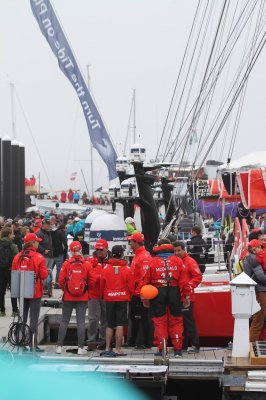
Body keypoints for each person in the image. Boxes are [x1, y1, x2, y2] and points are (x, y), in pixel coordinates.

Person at [141, 238, 191, 357]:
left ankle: (161, 348)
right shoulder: (178, 261)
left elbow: (145, 281)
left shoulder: (152, 261)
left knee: (159, 321)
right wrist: (186, 297)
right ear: (170, 247)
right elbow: (184, 282)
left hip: (157, 292)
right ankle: (178, 349)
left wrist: (144, 298)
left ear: (158, 247)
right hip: (174, 291)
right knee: (176, 320)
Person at [11, 233, 48, 351]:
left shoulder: (17, 257)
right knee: (33, 319)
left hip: (21, 293)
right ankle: (33, 344)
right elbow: (44, 275)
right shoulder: (39, 257)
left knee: (22, 317)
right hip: (35, 293)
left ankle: (20, 341)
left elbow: (14, 273)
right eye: (37, 241)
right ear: (32, 243)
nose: (38, 243)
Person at [56, 241, 92, 355]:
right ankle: (81, 348)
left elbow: (60, 280)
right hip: (83, 297)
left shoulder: (66, 264)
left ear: (71, 251)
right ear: (80, 250)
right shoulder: (87, 264)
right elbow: (92, 280)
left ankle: (59, 347)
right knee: (81, 322)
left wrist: (66, 290)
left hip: (68, 297)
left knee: (64, 320)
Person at [100, 245, 134, 357]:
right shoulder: (127, 269)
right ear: (122, 254)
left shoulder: (106, 268)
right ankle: (118, 349)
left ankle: (107, 347)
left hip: (109, 298)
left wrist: (105, 294)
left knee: (110, 324)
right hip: (122, 298)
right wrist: (130, 295)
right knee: (120, 324)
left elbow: (102, 284)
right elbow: (131, 286)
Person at [173, 241, 202, 353]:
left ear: (184, 250)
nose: (176, 253)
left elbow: (198, 277)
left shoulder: (190, 262)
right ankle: (183, 346)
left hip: (187, 297)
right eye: (175, 251)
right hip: (178, 296)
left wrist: (188, 287)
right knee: (181, 322)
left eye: (179, 250)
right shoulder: (175, 262)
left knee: (189, 322)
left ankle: (195, 345)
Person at [125, 232, 153, 349]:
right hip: (135, 292)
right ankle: (133, 341)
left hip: (139, 293)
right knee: (134, 318)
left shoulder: (144, 256)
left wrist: (140, 292)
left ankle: (145, 343)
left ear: (136, 242)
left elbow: (145, 276)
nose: (129, 242)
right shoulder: (138, 255)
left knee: (143, 319)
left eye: (131, 241)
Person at [87, 239, 110, 350]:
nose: (99, 251)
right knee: (93, 319)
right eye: (97, 249)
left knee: (105, 320)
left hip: (106, 295)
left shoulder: (111, 261)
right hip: (93, 295)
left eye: (101, 249)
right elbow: (88, 278)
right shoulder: (90, 262)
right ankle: (91, 341)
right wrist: (99, 277)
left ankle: (103, 341)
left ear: (106, 249)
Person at [243, 240, 266, 342]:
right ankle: (251, 344)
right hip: (260, 290)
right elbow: (261, 277)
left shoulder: (250, 258)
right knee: (259, 317)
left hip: (256, 289)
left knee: (258, 317)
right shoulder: (254, 259)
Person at [0, 227, 19, 317]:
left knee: (1, 291)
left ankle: (2, 311)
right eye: (12, 234)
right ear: (9, 235)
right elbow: (17, 258)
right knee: (13, 291)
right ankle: (14, 311)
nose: (13, 235)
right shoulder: (13, 245)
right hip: (11, 271)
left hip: (1, 271)